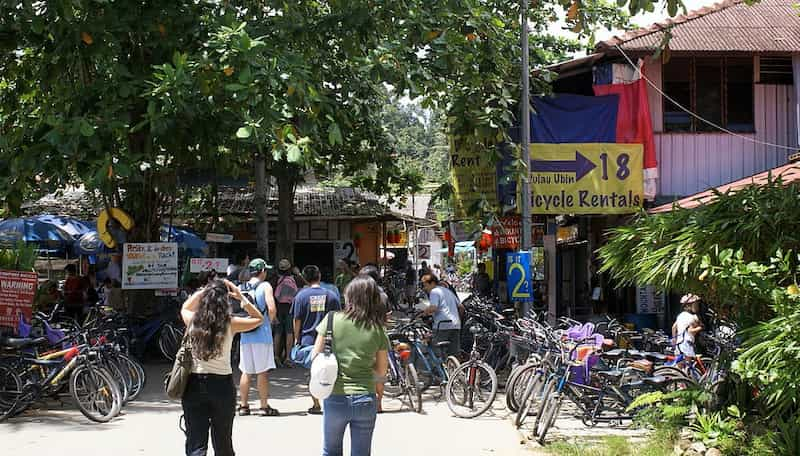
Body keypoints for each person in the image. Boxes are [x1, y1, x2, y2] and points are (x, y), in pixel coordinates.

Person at [179, 279, 264, 456]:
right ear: (225, 301)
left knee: (196, 441)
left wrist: (203, 291)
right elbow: (258, 319)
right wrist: (241, 297)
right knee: (223, 439)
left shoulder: (194, 321)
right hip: (222, 385)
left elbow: (185, 308)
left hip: (195, 384)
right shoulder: (231, 323)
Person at [312, 276, 389, 456]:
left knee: (330, 451)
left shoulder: (331, 320)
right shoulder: (377, 329)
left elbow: (315, 356)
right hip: (365, 397)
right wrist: (378, 396)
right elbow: (381, 371)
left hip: (336, 396)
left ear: (349, 296)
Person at [291, 265, 341, 415]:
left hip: (308, 340)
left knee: (313, 373)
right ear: (319, 276)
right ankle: (331, 402)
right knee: (331, 370)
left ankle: (316, 404)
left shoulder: (300, 296)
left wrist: (295, 338)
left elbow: (297, 320)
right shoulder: (332, 295)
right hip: (329, 340)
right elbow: (338, 317)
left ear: (305, 279)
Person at [238, 259, 279, 417]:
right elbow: (271, 308)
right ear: (262, 271)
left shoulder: (242, 287)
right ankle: (263, 406)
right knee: (262, 372)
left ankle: (244, 406)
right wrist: (271, 320)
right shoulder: (265, 286)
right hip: (262, 334)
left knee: (246, 371)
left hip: (245, 333)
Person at [421, 273, 462, 358]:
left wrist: (424, 313)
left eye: (426, 286)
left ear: (432, 283)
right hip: (456, 325)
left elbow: (433, 308)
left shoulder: (434, 291)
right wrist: (458, 320)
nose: (425, 289)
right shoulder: (448, 291)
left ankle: (438, 370)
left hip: (442, 325)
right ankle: (456, 370)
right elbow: (461, 307)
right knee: (454, 353)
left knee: (436, 351)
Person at [273, 258, 299, 367]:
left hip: (278, 308)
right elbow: (296, 295)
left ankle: (275, 356)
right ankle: (288, 357)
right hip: (289, 308)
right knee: (289, 333)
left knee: (277, 333)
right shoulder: (292, 280)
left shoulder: (276, 280)